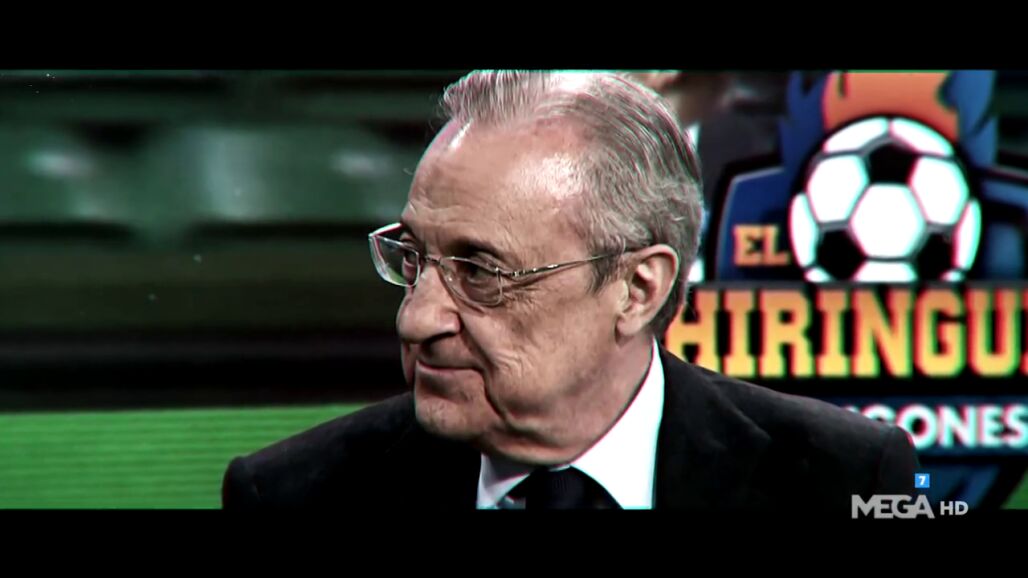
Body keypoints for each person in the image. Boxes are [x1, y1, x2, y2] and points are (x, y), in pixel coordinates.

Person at [221, 70, 919, 511]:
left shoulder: (843, 478)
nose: (417, 319)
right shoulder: (294, 496)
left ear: (637, 289)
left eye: (481, 272)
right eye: (414, 257)